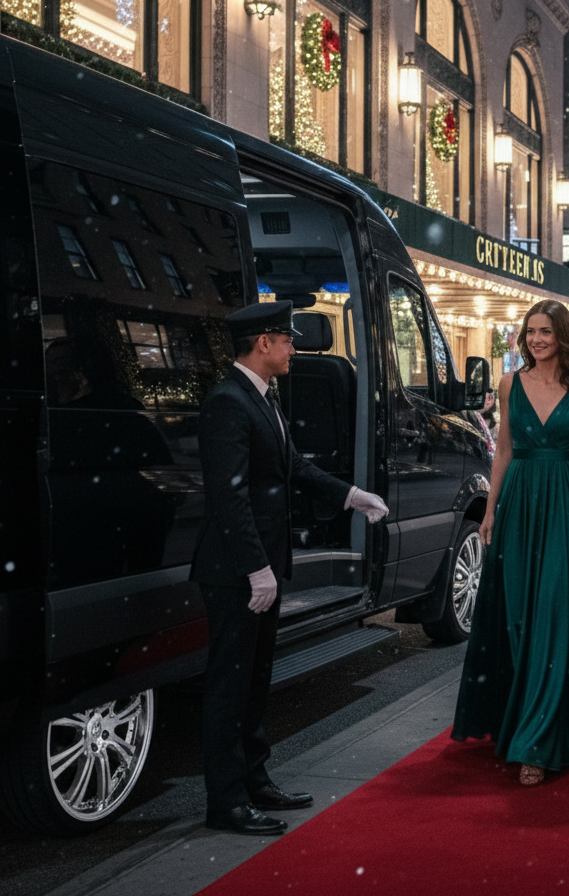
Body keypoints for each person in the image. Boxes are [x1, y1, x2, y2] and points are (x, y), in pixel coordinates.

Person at [191, 300, 389, 835]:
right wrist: (256, 567)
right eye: (288, 339)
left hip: (262, 568)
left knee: (255, 682)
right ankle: (226, 802)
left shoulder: (261, 399)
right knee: (229, 688)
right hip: (237, 571)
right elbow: (228, 498)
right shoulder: (229, 402)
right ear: (264, 344)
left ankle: (254, 780)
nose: (293, 348)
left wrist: (352, 495)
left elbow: (293, 467)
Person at [451, 299, 569, 787]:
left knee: (557, 609)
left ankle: (541, 738)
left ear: (563, 337)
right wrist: (490, 510)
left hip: (565, 503)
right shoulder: (510, 383)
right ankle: (523, 719)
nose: (536, 339)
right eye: (530, 331)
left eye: (546, 332)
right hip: (518, 504)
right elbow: (505, 451)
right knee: (520, 614)